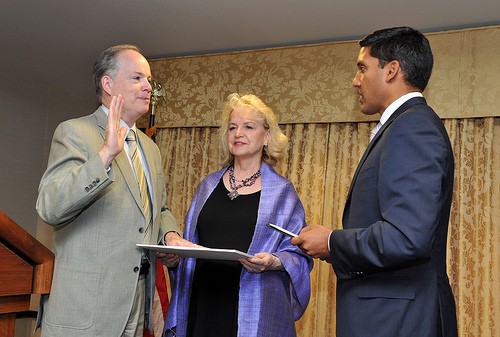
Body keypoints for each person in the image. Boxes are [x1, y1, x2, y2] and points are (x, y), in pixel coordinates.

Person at [291, 27, 458, 337]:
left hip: (398, 320)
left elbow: (406, 237)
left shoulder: (412, 128)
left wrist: (331, 241)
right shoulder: (402, 126)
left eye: (362, 68)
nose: (356, 80)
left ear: (391, 70)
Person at [36, 44, 190, 337]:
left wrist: (170, 236)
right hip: (86, 311)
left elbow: (158, 209)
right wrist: (105, 155)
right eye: (137, 78)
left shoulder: (151, 148)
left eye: (149, 80)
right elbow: (50, 207)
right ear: (108, 84)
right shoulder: (74, 132)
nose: (148, 87)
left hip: (135, 307)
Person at [164, 93, 313, 337]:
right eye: (232, 127)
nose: (238, 133)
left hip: (252, 305)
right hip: (202, 300)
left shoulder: (282, 193)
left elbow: (298, 254)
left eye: (248, 126)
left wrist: (273, 262)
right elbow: (190, 243)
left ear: (266, 136)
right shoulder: (208, 185)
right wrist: (174, 257)